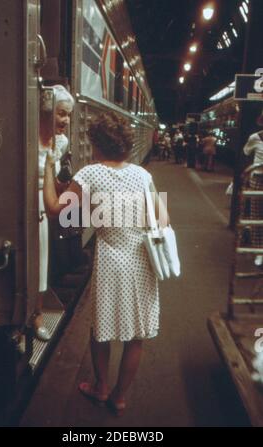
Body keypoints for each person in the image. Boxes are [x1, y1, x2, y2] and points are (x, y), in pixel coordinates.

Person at [43, 111, 169, 415]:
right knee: (135, 335)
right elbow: (163, 219)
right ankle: (119, 397)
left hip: (112, 260)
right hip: (142, 260)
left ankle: (100, 387)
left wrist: (48, 168)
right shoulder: (142, 175)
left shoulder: (89, 174)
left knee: (101, 329)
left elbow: (55, 209)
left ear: (98, 143)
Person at [35, 85, 75, 341]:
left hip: (43, 205)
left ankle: (36, 314)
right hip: (21, 201)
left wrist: (63, 181)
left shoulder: (60, 143)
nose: (66, 120)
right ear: (47, 111)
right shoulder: (27, 134)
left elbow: (56, 187)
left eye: (68, 115)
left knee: (40, 262)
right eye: (61, 113)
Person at [243, 122, 263, 266]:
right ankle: (259, 251)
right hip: (258, 179)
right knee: (256, 216)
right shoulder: (254, 138)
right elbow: (247, 153)